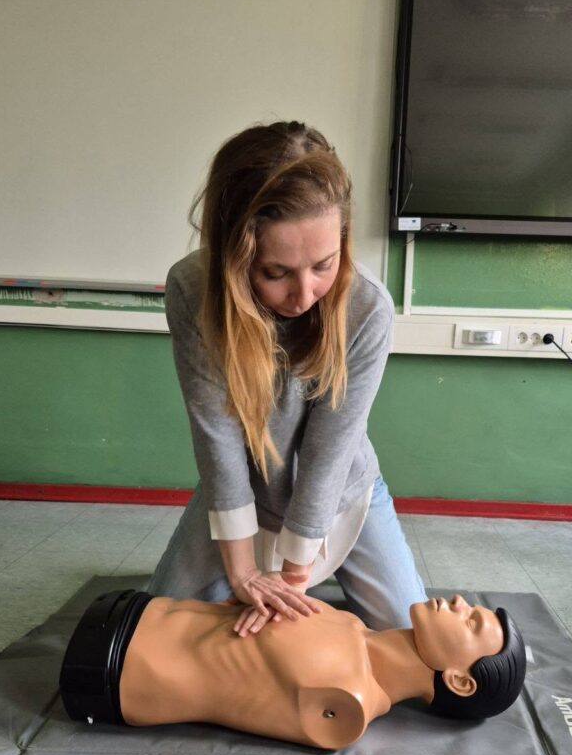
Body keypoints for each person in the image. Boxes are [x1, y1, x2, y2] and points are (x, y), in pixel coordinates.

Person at [148, 120, 426, 633]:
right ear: (234, 257)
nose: (304, 295)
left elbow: (330, 448)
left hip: (340, 486)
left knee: (412, 637)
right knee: (154, 632)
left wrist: (292, 581)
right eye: (276, 273)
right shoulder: (191, 289)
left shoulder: (368, 307)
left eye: (324, 264)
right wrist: (243, 571)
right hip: (242, 487)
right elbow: (216, 433)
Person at [59, 589, 527, 750]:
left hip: (114, 668)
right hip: (137, 613)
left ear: (459, 680)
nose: (460, 602)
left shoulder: (345, 706)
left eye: (472, 621)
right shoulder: (351, 626)